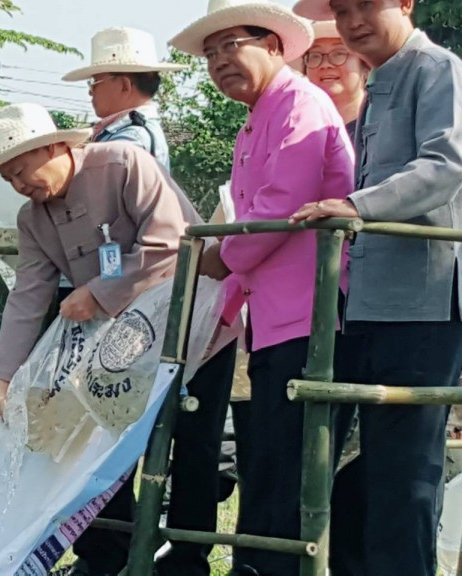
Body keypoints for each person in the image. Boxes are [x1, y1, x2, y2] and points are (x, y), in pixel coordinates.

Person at [0, 102, 234, 576]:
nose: (19, 184)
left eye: (21, 169)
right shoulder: (33, 220)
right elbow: (28, 297)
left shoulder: (125, 164)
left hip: (195, 322)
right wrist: (3, 377)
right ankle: (103, 556)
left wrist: (98, 291)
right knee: (93, 444)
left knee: (195, 444)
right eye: (7, 178)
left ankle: (188, 560)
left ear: (54, 147)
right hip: (118, 348)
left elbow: (171, 241)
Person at [170, 1, 355, 575]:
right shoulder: (256, 120)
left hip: (315, 310)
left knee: (293, 458)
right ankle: (260, 565)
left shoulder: (299, 102)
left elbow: (282, 206)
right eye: (211, 52)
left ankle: (278, 568)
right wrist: (217, 315)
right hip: (276, 315)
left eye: (233, 45)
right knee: (270, 455)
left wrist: (220, 260)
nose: (222, 61)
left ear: (274, 45)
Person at [291, 1, 462, 575]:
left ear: (406, 3)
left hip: (424, 301)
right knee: (355, 471)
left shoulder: (438, 68)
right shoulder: (380, 82)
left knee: (407, 474)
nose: (353, 19)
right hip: (366, 302)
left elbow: (445, 166)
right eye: (341, 9)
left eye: (366, 4)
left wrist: (354, 207)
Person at [59, 28, 237, 576]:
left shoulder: (125, 148)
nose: (92, 91)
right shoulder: (122, 137)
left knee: (133, 427)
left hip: (154, 304)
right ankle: (173, 553)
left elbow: (120, 239)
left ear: (123, 82)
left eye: (99, 80)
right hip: (160, 299)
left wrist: (104, 288)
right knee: (179, 436)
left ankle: (121, 552)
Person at [298, 19, 369, 576]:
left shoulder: (376, 126)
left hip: (371, 301)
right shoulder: (294, 125)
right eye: (313, 55)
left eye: (336, 53)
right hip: (302, 304)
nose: (324, 66)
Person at [62, 27, 187, 168]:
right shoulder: (128, 132)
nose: (91, 92)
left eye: (94, 83)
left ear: (124, 86)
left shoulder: (131, 139)